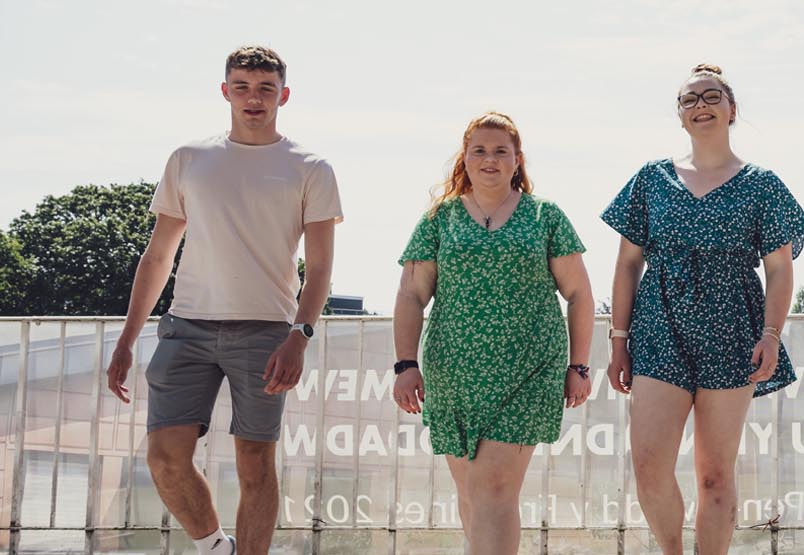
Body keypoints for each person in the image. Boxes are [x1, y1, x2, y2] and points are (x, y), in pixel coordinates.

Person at [103, 45, 341, 555]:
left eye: (265, 89)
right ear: (225, 91)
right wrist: (127, 339)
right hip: (185, 328)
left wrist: (300, 335)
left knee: (255, 463)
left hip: (267, 333)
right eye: (242, 87)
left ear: (284, 94)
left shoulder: (310, 167)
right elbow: (158, 255)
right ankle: (214, 546)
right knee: (165, 458)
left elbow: (319, 267)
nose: (253, 99)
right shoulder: (189, 159)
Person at [602, 64, 804, 555]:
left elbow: (780, 270)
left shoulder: (763, 184)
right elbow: (627, 262)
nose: (700, 105)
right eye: (689, 99)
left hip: (733, 329)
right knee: (649, 464)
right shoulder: (650, 179)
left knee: (715, 474)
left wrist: (772, 334)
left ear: (731, 109)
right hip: (658, 328)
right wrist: (617, 340)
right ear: (679, 116)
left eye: (711, 96)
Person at [390, 111, 594, 554]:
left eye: (501, 151)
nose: (490, 159)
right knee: (473, 497)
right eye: (479, 150)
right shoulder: (439, 219)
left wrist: (579, 364)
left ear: (517, 160)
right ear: (464, 158)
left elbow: (579, 294)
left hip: (529, 369)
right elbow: (410, 295)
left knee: (493, 489)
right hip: (454, 374)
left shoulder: (546, 216)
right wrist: (405, 364)